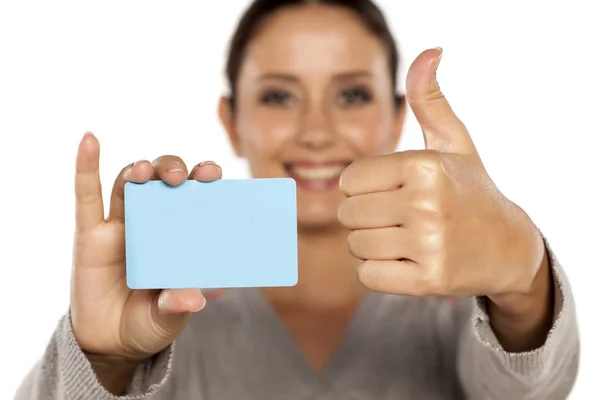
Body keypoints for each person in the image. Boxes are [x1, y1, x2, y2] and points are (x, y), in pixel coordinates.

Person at [15, 0, 579, 399]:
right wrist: (107, 361)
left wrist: (523, 281)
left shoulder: (457, 307)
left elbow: (535, 389)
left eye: (352, 94)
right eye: (280, 95)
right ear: (231, 122)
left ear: (395, 116)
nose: (315, 131)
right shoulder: (169, 310)